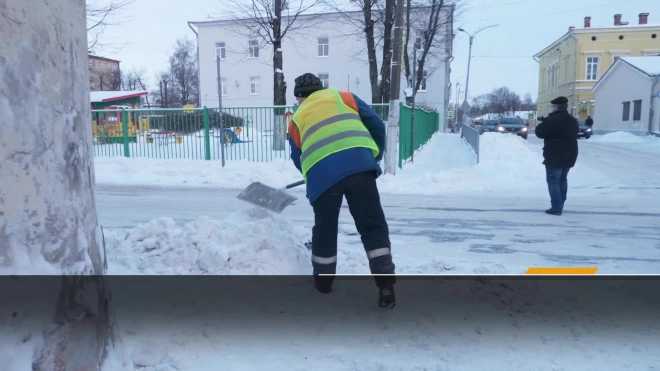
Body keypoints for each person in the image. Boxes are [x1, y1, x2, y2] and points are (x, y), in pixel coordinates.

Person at [287, 73, 396, 308]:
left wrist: (311, 175)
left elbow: (297, 156)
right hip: (360, 167)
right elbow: (376, 124)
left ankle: (324, 284)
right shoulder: (345, 97)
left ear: (299, 97)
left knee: (325, 228)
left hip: (323, 176)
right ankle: (385, 284)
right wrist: (372, 155)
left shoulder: (297, 117)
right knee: (372, 224)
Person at [534, 96, 579, 215]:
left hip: (554, 155)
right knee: (562, 179)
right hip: (570, 154)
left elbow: (539, 133)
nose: (552, 109)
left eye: (553, 106)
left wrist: (545, 122)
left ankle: (556, 207)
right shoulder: (572, 120)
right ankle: (560, 204)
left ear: (556, 107)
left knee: (553, 181)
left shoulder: (551, 120)